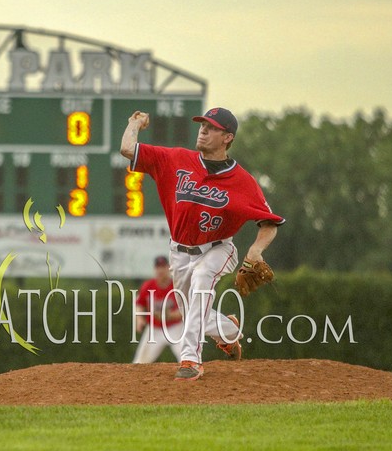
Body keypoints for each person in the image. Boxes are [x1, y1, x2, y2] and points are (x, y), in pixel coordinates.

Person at [120, 107, 285, 381]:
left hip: (218, 248)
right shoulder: (174, 159)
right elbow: (128, 149)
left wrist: (255, 250)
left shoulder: (242, 181)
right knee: (193, 312)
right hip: (179, 253)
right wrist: (134, 123)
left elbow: (269, 223)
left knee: (202, 278)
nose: (203, 130)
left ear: (227, 138)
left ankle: (191, 360)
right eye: (202, 125)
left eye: (212, 128)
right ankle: (228, 330)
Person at [132, 255, 183, 364]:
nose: (160, 270)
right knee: (140, 362)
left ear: (169, 268)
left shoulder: (177, 285)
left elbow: (185, 310)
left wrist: (169, 316)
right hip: (154, 329)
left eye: (163, 267)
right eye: (158, 267)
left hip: (175, 328)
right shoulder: (148, 285)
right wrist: (139, 319)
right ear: (155, 269)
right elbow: (139, 304)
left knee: (186, 359)